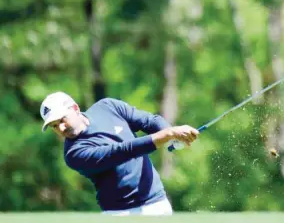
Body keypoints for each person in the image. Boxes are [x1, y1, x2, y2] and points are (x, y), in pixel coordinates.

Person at [40, 91, 199, 216]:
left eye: (62, 120)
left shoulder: (108, 107)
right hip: (121, 213)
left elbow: (149, 121)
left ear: (75, 109)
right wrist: (169, 134)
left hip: (158, 202)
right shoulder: (74, 154)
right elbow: (124, 151)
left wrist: (171, 134)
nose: (60, 128)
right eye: (54, 126)